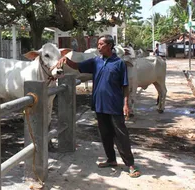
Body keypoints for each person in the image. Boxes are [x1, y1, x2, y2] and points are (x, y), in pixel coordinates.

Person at [57, 34, 141, 178]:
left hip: (114, 105)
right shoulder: (96, 61)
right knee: (105, 134)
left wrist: (126, 104)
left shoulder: (119, 63)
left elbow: (125, 85)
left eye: (101, 44)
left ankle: (130, 164)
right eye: (98, 44)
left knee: (121, 135)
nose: (98, 46)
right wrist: (66, 60)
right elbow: (77, 66)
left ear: (109, 46)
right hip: (99, 105)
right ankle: (111, 159)